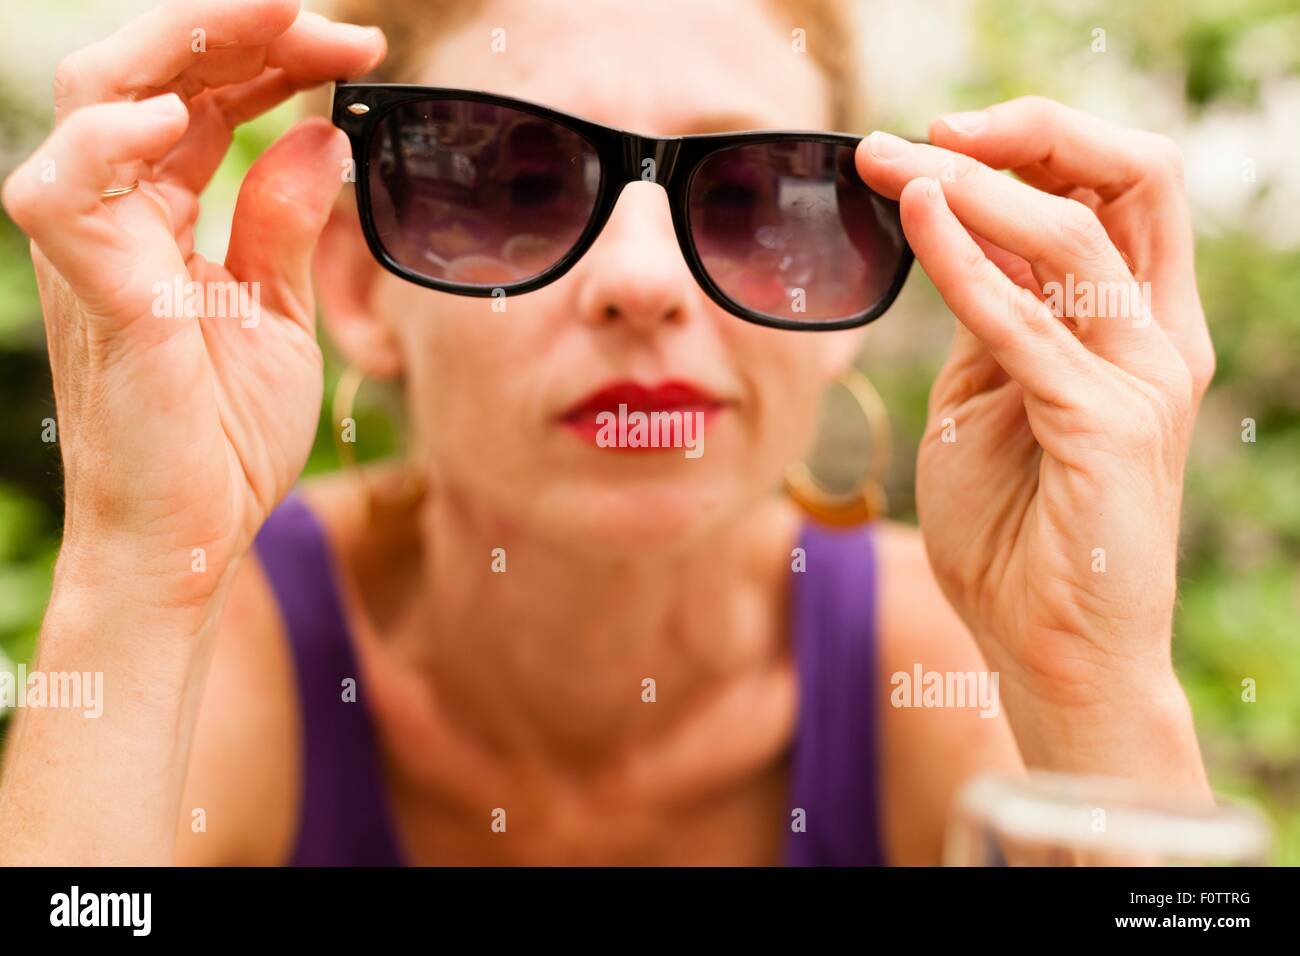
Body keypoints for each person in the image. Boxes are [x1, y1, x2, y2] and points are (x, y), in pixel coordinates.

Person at [0, 0, 1215, 865]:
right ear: (362, 286)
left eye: (747, 197)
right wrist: (140, 565)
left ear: (853, 273)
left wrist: (1089, 682)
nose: (644, 282)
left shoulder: (940, 668)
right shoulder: (241, 639)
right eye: (518, 185)